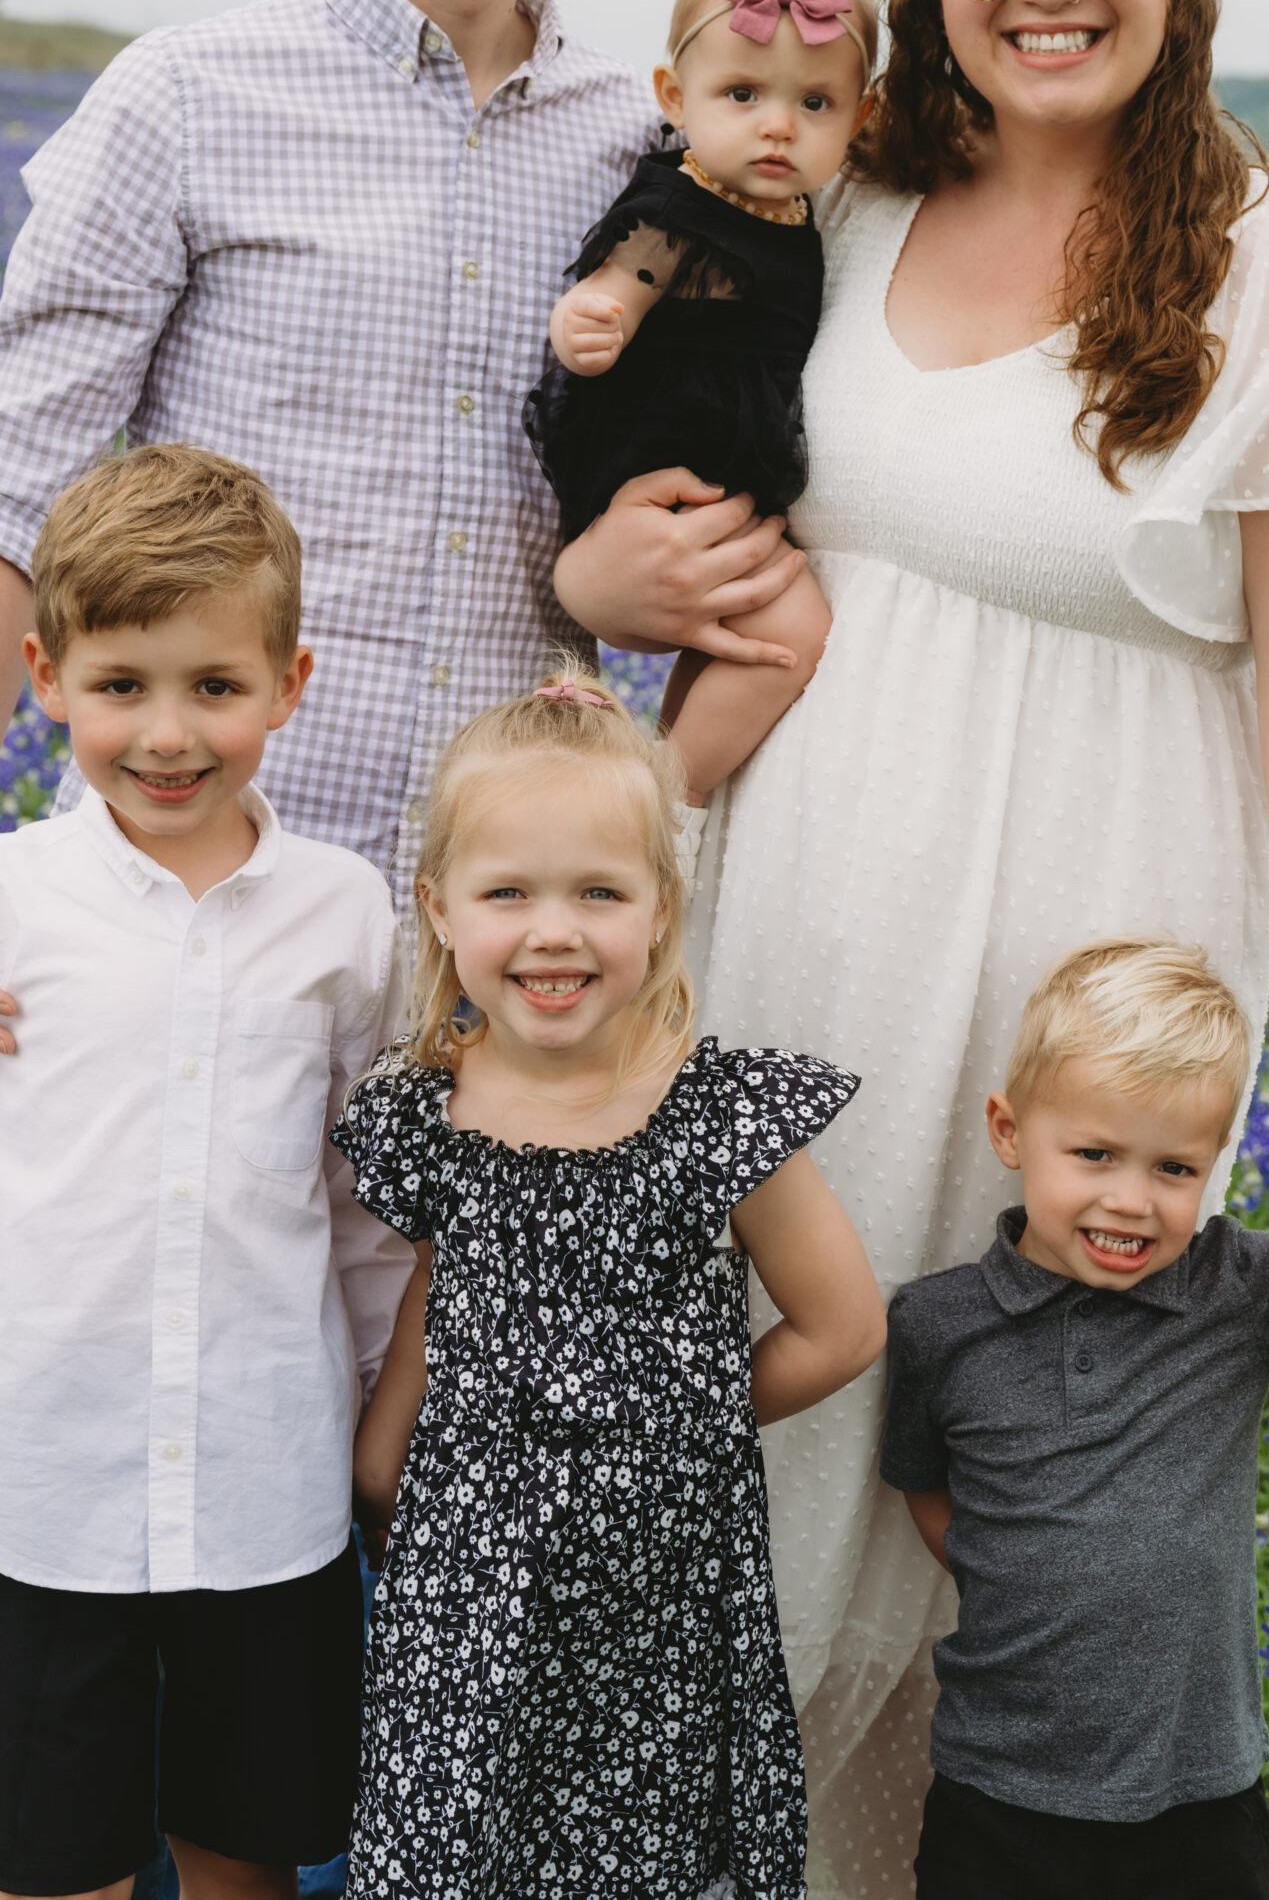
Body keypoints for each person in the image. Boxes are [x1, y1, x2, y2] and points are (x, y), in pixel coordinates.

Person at [553, 0, 1269, 1895]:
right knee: (732, 1543)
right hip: (771, 958)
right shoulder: (822, 192)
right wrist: (596, 583)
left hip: (1083, 1042)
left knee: (1029, 1583)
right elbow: (627, 441)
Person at [0, 0, 803, 1092]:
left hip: (501, 970)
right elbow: (4, 484)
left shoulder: (652, 157)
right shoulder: (182, 98)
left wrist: (655, 573)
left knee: (427, 1347)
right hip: (194, 906)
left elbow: (738, 451)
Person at [0, 447, 411, 1900]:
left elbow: (360, 1214)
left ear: (290, 684)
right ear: (44, 676)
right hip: (47, 1487)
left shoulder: (349, 918)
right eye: (121, 687)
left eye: (215, 688)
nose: (167, 734)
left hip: (266, 1484)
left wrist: (375, 1435)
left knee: (248, 1849)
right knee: (64, 1862)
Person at [330, 667, 886, 1900]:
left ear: (662, 905)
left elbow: (841, 1325)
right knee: (458, 1841)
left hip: (663, 1590)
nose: (554, 930)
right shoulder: (427, 1110)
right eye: (508, 892)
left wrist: (674, 1416)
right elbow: (442, 1292)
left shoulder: (716, 1110)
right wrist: (385, 1453)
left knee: (642, 1857)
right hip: (470, 1574)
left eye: (599, 891)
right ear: (438, 908)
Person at [882, 938, 1269, 1900]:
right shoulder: (938, 1323)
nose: (1130, 1199)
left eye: (1173, 1168)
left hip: (1199, 1786)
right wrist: (1034, 1568)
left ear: (1216, 1162)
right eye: (1092, 1153)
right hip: (1000, 1781)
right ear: (1007, 1129)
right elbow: (923, 1484)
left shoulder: (1238, 1285)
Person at [527, 0, 875, 840]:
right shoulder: (681, 210)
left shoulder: (790, 212)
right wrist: (587, 322)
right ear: (673, 99)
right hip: (661, 472)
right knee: (788, 634)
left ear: (860, 121)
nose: (777, 124)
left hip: (716, 480)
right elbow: (616, 285)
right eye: (742, 93)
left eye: (815, 104)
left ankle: (664, 781)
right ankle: (662, 809)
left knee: (731, 643)